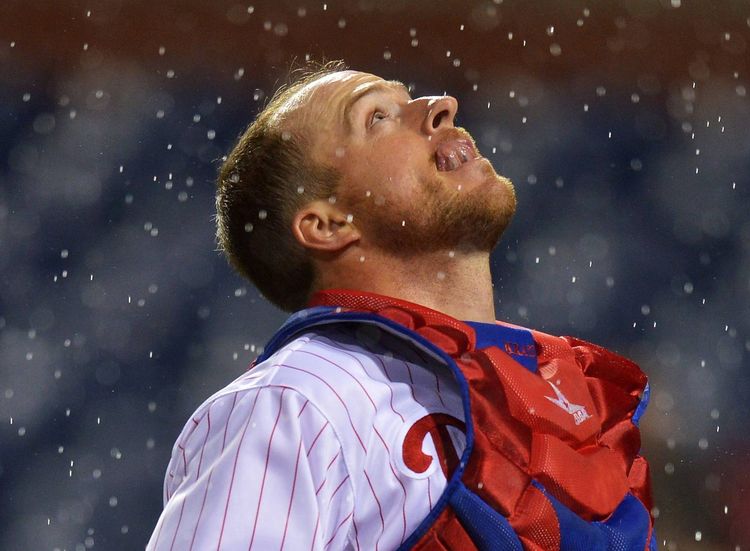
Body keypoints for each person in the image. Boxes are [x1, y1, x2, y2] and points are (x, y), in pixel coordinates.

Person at [148, 61, 655, 550]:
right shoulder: (297, 402)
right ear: (329, 225)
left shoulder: (558, 382)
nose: (440, 106)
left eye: (408, 98)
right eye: (378, 117)